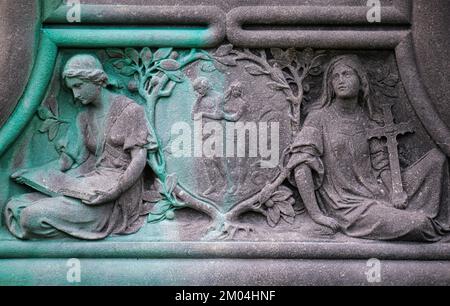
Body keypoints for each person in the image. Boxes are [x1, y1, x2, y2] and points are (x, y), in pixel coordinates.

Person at [288, 55, 450, 242]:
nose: (340, 80)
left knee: (437, 159)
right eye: (335, 76)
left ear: (361, 80)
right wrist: (317, 215)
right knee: (420, 224)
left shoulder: (369, 118)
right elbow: (301, 165)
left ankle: (417, 215)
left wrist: (395, 191)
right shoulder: (319, 118)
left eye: (347, 74)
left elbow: (381, 166)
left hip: (378, 192)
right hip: (349, 206)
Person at [4, 54, 155, 240]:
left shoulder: (130, 111)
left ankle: (78, 229)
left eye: (78, 86)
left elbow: (139, 159)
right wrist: (33, 173)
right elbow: (66, 161)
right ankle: (71, 218)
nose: (75, 94)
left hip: (114, 196)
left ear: (95, 80)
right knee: (16, 205)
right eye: (72, 88)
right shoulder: (84, 117)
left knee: (30, 216)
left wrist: (115, 191)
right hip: (87, 185)